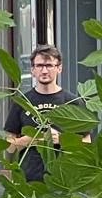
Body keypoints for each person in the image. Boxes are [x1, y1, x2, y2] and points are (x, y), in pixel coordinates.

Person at [4, 44, 78, 182]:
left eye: (49, 65)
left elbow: (86, 142)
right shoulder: (22, 101)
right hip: (28, 180)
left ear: (59, 68)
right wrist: (33, 139)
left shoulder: (72, 101)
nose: (44, 71)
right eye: (39, 66)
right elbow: (9, 147)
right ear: (32, 70)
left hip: (64, 182)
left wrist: (61, 139)